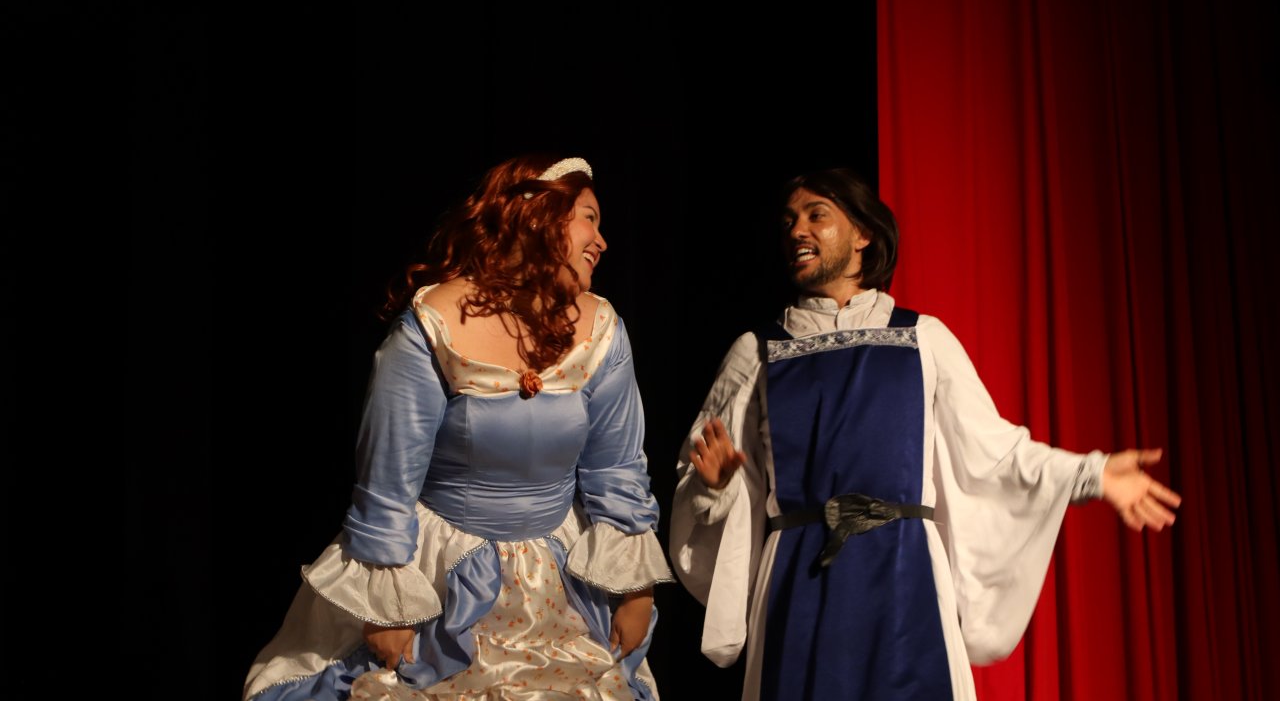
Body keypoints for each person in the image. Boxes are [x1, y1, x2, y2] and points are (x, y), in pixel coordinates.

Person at [669, 168, 1182, 701]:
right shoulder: (758, 352)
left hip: (903, 577)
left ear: (863, 234)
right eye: (789, 221)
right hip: (800, 583)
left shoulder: (922, 338)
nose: (798, 229)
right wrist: (713, 486)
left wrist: (1093, 472)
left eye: (816, 215)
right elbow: (698, 470)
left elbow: (998, 454)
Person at [245, 155, 673, 701]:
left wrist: (635, 589)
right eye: (589, 218)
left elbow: (616, 468)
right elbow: (388, 481)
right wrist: (386, 606)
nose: (602, 241)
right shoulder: (434, 325)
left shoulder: (601, 330)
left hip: (559, 579)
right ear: (535, 215)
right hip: (443, 575)